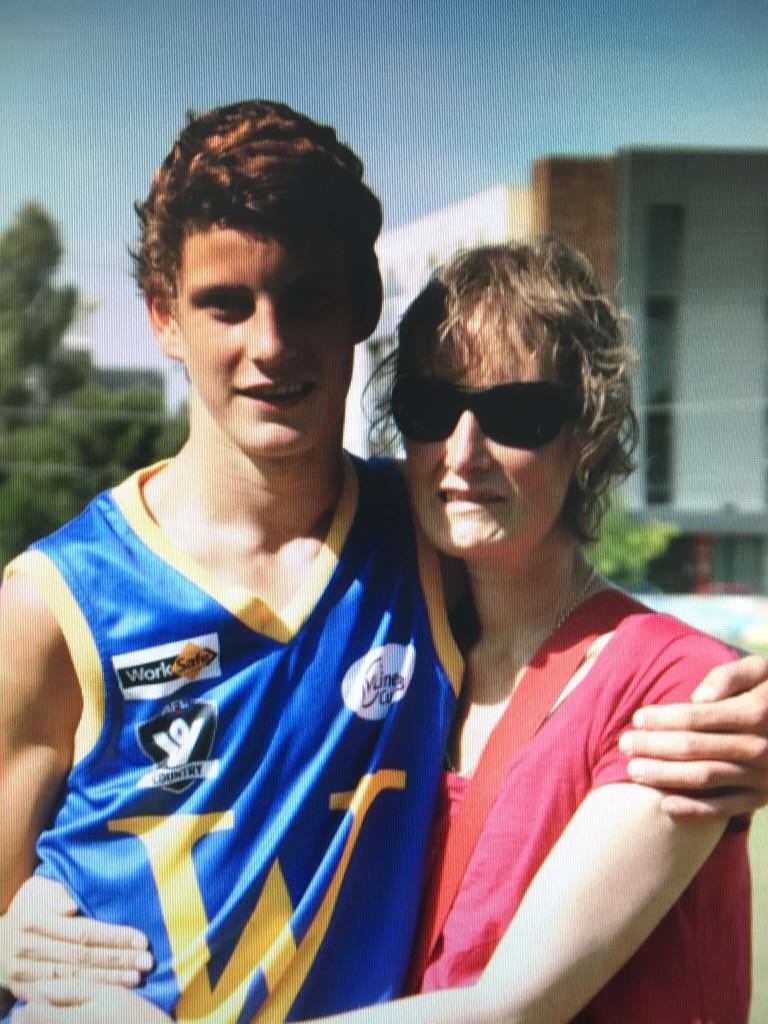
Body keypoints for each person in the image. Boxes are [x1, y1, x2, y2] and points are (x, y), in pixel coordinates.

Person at [2, 109, 768, 1024]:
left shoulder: (429, 545)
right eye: (226, 305)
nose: (272, 343)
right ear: (165, 315)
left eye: (308, 297)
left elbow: (613, 663)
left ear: (365, 301)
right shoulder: (52, 604)